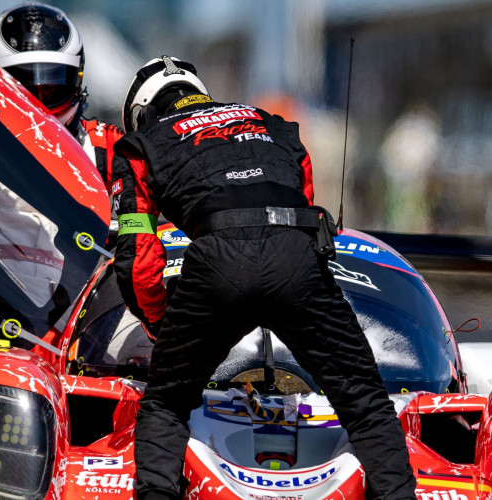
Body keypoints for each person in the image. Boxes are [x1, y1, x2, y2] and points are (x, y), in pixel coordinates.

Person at [111, 56, 417, 500]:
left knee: (166, 404)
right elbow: (308, 219)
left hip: (215, 265)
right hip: (294, 259)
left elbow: (138, 260)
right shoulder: (278, 127)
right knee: (367, 404)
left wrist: (164, 325)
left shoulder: (140, 145)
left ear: (142, 112)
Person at [0, 2, 123, 183]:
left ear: (77, 79)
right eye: (27, 89)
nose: (39, 101)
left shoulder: (105, 146)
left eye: (51, 87)